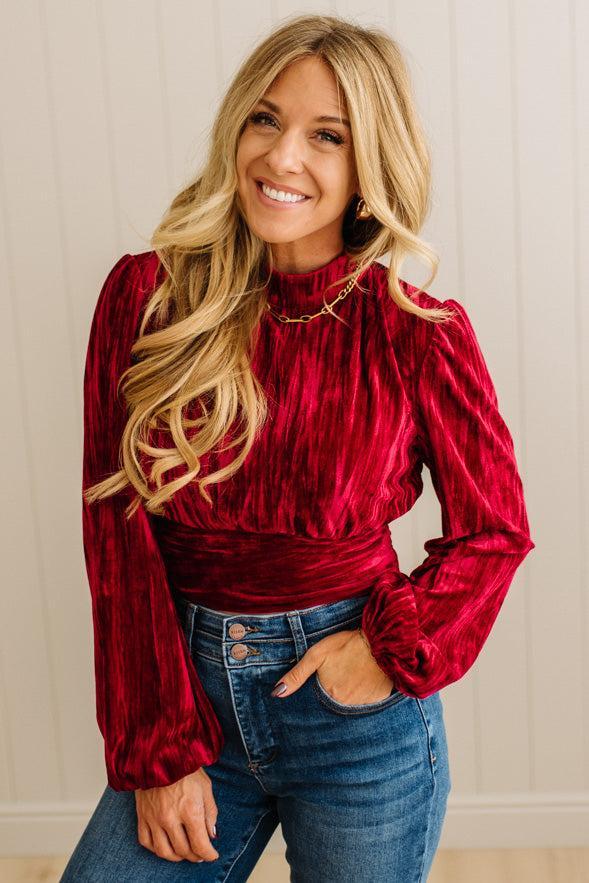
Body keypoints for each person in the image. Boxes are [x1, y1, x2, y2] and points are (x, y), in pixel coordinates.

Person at [61, 13, 535, 883]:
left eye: (327, 136)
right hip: (189, 703)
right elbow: (117, 536)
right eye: (265, 119)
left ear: (368, 166)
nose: (283, 158)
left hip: (355, 716)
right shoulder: (144, 298)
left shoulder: (415, 332)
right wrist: (157, 747)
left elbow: (494, 529)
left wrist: (390, 652)